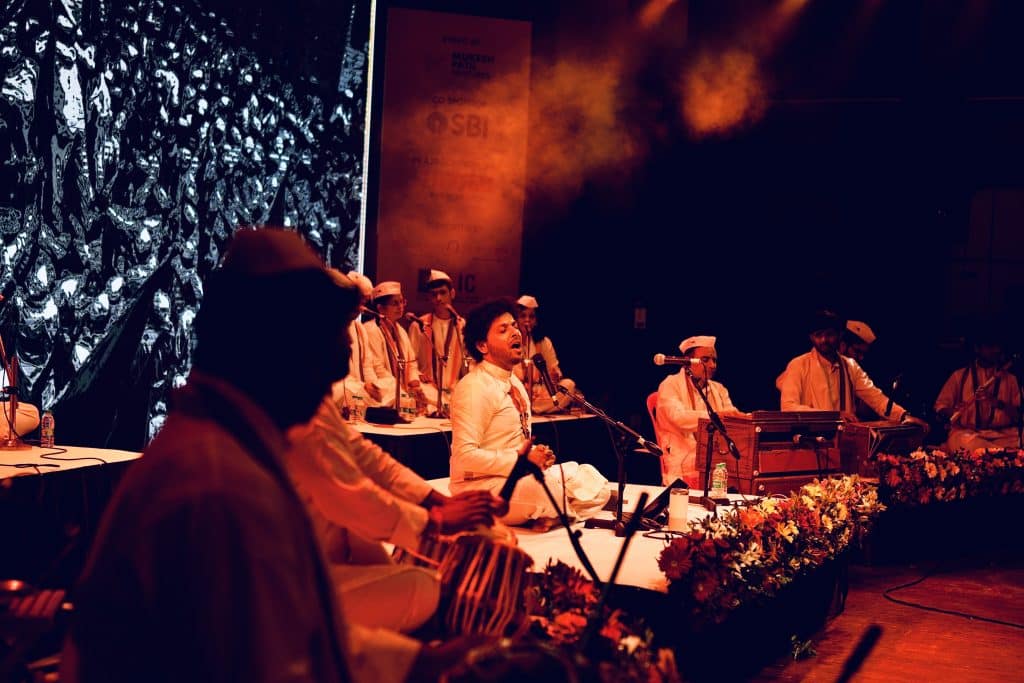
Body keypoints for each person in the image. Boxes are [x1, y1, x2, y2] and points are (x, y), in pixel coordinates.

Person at [60, 228, 358, 682]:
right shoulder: (221, 486)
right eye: (325, 353)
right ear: (276, 352)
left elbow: (286, 639)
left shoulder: (224, 451)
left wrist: (416, 663)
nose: (336, 372)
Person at [286, 388, 505, 634]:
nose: (349, 346)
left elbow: (367, 457)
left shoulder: (310, 398)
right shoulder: (290, 405)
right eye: (345, 344)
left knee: (369, 541)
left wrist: (438, 502)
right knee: (423, 587)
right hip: (286, 587)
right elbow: (350, 495)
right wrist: (433, 522)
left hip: (318, 553)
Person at [449, 298, 609, 526]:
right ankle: (553, 512)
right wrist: (522, 462)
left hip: (515, 478)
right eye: (503, 330)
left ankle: (549, 515)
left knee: (589, 477)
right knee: (543, 489)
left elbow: (514, 442)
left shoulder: (514, 383)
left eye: (514, 325)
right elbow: (464, 457)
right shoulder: (474, 387)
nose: (515, 332)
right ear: (482, 346)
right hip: (480, 488)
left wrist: (537, 454)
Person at [779, 310, 928, 431]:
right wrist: (833, 416)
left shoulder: (850, 366)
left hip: (844, 443)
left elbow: (876, 397)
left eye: (829, 334)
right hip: (811, 444)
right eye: (818, 335)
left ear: (839, 335)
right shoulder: (799, 365)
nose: (824, 340)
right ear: (811, 337)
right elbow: (788, 407)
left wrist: (903, 416)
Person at [654, 335, 746, 487]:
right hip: (682, 453)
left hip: (715, 454)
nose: (712, 365)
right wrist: (717, 416)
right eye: (705, 360)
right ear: (687, 362)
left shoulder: (718, 389)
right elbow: (679, 418)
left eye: (714, 360)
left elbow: (731, 415)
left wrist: (747, 418)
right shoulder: (670, 384)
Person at [934, 330, 1021, 451]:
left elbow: (1019, 414)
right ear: (977, 349)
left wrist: (997, 403)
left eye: (997, 347)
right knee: (960, 441)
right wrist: (953, 411)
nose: (995, 351)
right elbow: (941, 407)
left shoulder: (1011, 379)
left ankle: (991, 452)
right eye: (990, 346)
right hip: (969, 434)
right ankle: (999, 453)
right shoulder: (959, 376)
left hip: (1003, 434)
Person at [364, 281, 435, 416]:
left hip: (402, 386)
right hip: (384, 385)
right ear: (380, 308)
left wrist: (414, 384)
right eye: (395, 303)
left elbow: (411, 363)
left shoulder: (400, 330)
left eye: (402, 302)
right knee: (398, 395)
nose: (400, 306)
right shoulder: (371, 329)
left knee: (433, 393)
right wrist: (401, 388)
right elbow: (378, 368)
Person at [408, 270, 469, 416]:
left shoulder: (462, 325)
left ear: (452, 294)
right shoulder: (419, 324)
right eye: (433, 294)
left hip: (454, 388)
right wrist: (416, 375)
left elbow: (469, 362)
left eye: (443, 293)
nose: (438, 298)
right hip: (429, 388)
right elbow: (411, 361)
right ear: (429, 298)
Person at [332, 271, 386, 414]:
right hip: (340, 387)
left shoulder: (360, 329)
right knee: (347, 392)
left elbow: (367, 366)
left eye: (365, 302)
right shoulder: (330, 325)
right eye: (359, 300)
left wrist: (373, 385)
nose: (362, 307)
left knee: (386, 392)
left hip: (358, 388)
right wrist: (362, 387)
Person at [512, 295, 575, 414]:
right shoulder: (511, 341)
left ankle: (533, 409)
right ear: (516, 320)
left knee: (569, 385)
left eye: (531, 316)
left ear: (536, 321)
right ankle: (532, 408)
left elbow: (554, 368)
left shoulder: (544, 342)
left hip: (540, 393)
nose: (527, 320)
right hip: (519, 390)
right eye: (523, 316)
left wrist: (555, 375)